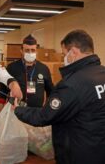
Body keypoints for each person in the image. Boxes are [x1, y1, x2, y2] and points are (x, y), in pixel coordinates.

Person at [13, 29, 105, 164]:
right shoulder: (102, 74)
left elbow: (44, 116)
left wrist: (17, 109)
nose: (64, 59)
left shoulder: (72, 84)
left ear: (73, 52)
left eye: (64, 54)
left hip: (78, 153)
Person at [0, 34, 53, 109]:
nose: (30, 53)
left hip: (36, 112)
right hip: (15, 110)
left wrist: (47, 109)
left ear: (36, 51)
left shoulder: (43, 68)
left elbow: (50, 91)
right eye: (27, 50)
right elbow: (3, 91)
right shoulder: (12, 67)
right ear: (21, 51)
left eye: (33, 50)